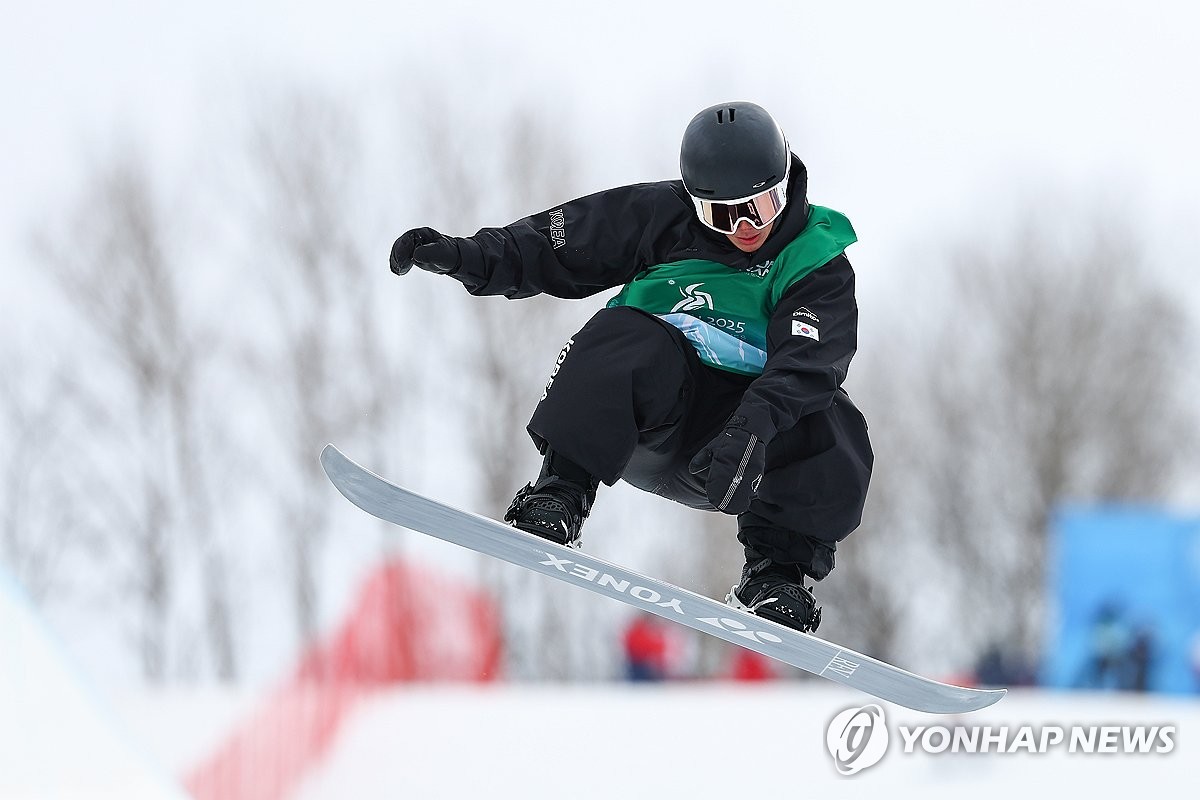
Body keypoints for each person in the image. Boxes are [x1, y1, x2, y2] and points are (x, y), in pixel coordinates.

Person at [390, 101, 873, 633]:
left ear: (786, 184)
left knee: (835, 423)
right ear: (695, 204)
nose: (744, 228)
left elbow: (809, 361)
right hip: (650, 418)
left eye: (759, 206)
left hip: (741, 453)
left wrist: (754, 426)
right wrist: (469, 256)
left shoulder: (816, 257)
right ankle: (561, 493)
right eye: (722, 214)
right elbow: (556, 245)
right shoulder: (659, 217)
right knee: (624, 332)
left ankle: (776, 574)